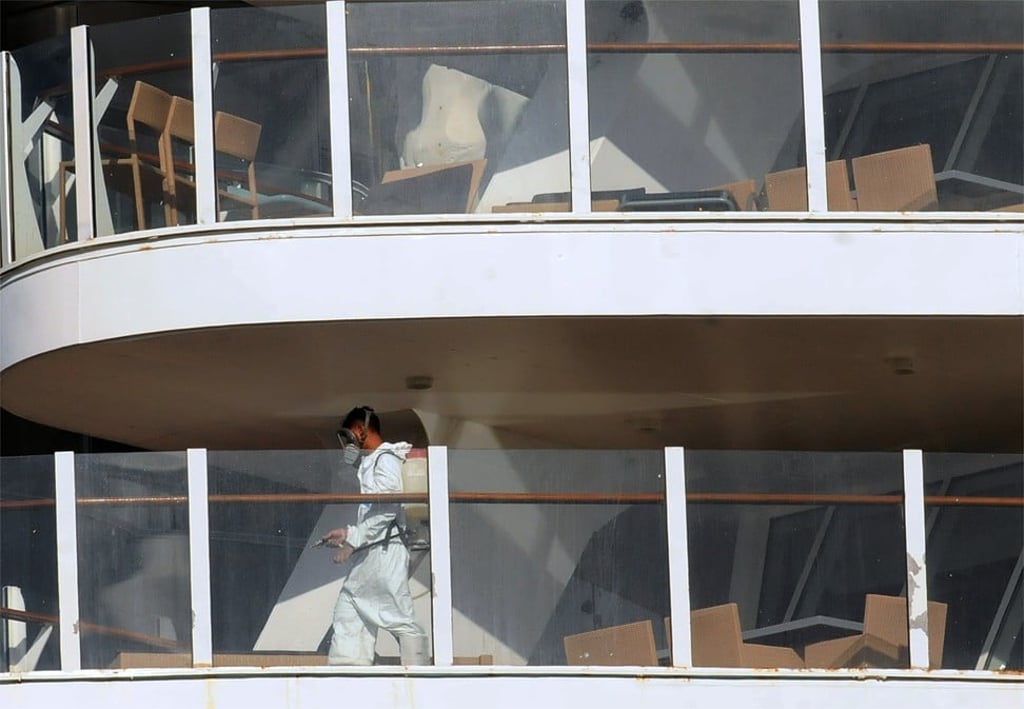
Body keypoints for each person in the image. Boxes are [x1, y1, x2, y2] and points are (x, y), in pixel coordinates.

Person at [319, 406, 429, 666]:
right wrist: (348, 534)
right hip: (374, 552)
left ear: (359, 429)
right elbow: (376, 512)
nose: (347, 444)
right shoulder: (372, 462)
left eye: (347, 437)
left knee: (397, 615)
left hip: (385, 551)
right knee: (351, 607)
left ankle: (420, 675)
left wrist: (353, 538)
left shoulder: (385, 458)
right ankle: (349, 674)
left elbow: (388, 506)